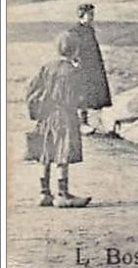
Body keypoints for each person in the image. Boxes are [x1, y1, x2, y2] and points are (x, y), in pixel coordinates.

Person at [28, 32, 92, 207]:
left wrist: (36, 112)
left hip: (46, 115)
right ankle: (63, 194)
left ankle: (44, 193)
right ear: (75, 50)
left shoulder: (47, 67)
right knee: (62, 153)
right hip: (65, 116)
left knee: (46, 152)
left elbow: (31, 89)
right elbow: (78, 97)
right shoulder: (73, 71)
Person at [69, 3, 111, 135]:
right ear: (82, 15)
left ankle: (93, 122)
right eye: (90, 14)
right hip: (82, 67)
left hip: (93, 66)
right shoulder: (75, 31)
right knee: (82, 96)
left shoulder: (89, 29)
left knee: (93, 95)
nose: (92, 17)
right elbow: (72, 50)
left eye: (93, 14)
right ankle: (82, 123)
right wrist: (75, 62)